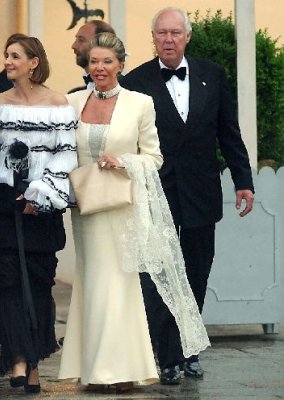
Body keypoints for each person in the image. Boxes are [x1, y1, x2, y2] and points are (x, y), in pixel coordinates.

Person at [58, 32, 210, 392]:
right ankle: (90, 367)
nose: (100, 68)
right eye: (94, 61)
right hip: (86, 209)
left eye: (107, 62)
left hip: (122, 209)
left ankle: (119, 370)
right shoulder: (70, 102)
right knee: (92, 284)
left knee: (119, 286)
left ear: (121, 66)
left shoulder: (140, 103)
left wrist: (123, 160)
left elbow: (154, 157)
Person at [121, 7, 254, 385]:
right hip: (156, 193)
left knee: (196, 271)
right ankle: (166, 355)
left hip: (201, 190)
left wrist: (243, 179)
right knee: (161, 274)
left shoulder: (213, 75)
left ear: (187, 36)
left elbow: (228, 132)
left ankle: (188, 349)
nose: (168, 39)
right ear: (153, 37)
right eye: (161, 33)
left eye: (174, 33)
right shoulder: (136, 81)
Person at [0, 34, 77, 394]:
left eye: (15, 56)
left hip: (41, 210)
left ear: (33, 62)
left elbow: (65, 156)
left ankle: (33, 362)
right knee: (8, 284)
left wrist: (39, 195)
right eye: (6, 55)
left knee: (39, 285)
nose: (7, 62)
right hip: (2, 204)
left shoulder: (59, 104)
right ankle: (17, 361)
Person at [70, 20, 115, 92]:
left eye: (81, 40)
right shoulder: (74, 95)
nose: (74, 46)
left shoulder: (127, 90)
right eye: (76, 40)